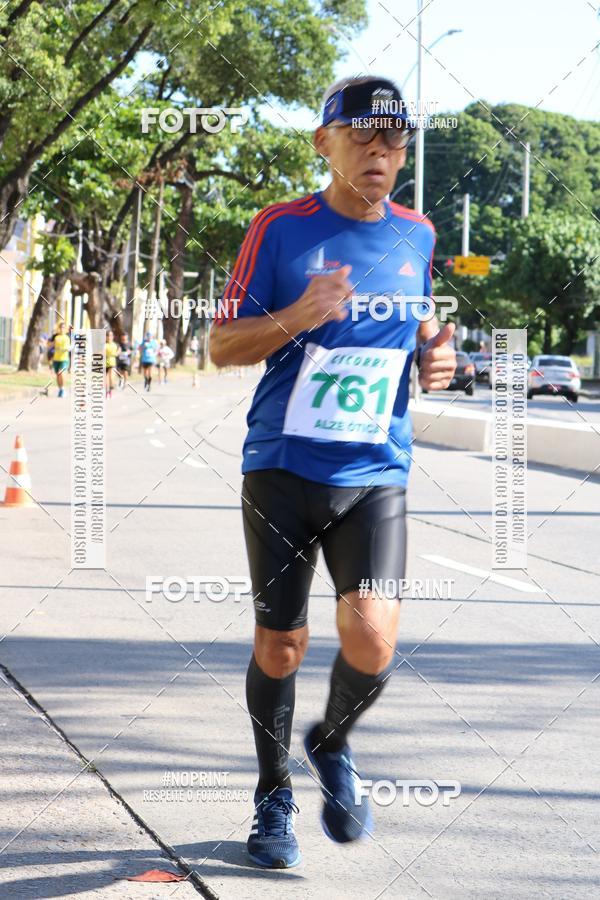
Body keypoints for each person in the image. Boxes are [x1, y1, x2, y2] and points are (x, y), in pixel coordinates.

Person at [210, 75, 456, 869]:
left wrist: (436, 353)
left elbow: (420, 327)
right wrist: (300, 315)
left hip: (375, 471)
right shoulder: (280, 229)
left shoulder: (417, 235)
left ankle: (332, 739)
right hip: (282, 467)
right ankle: (271, 793)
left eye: (395, 138)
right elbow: (220, 345)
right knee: (280, 646)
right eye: (363, 135)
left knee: (374, 636)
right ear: (325, 143)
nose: (381, 150)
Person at [50, 321, 71, 398]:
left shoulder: (67, 337)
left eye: (63, 327)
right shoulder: (56, 337)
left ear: (65, 329)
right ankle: (60, 389)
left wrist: (67, 349)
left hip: (64, 359)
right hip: (56, 359)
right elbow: (50, 345)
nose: (62, 329)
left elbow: (70, 346)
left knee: (61, 373)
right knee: (58, 375)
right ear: (58, 328)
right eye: (61, 327)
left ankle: (63, 389)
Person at [105, 330, 119, 397]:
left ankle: (110, 389)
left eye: (110, 335)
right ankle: (107, 391)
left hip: (112, 363)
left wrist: (117, 353)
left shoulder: (115, 345)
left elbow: (118, 351)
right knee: (105, 378)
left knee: (111, 377)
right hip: (104, 363)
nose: (109, 337)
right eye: (108, 336)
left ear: (113, 337)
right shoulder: (104, 345)